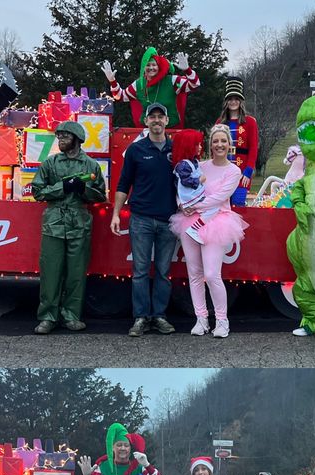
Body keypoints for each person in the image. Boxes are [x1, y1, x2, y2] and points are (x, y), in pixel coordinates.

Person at [169, 123, 248, 339]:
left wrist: (195, 205)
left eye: (223, 141)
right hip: (190, 222)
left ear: (229, 145)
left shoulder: (234, 171)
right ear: (210, 145)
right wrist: (181, 204)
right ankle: (201, 319)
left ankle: (222, 320)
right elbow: (181, 188)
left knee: (212, 274)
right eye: (215, 141)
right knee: (194, 274)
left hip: (217, 223)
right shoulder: (200, 165)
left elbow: (220, 197)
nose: (219, 144)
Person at [31, 120, 107, 334]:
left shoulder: (91, 165)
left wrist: (84, 190)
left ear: (77, 139)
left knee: (76, 274)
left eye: (65, 136)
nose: (61, 140)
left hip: (79, 224)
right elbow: (37, 191)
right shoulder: (51, 163)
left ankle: (71, 315)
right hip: (54, 223)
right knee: (51, 273)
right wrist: (61, 187)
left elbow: (100, 195)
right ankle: (47, 317)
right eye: (59, 136)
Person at [111, 102, 179, 337]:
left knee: (163, 271)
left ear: (167, 121)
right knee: (140, 270)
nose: (157, 120)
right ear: (146, 121)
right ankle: (141, 318)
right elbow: (123, 184)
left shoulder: (177, 150)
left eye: (161, 116)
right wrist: (116, 214)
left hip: (169, 220)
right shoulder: (135, 150)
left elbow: (191, 182)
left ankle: (159, 316)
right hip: (140, 219)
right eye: (153, 117)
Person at [102, 47, 200, 128]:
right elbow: (120, 96)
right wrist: (112, 81)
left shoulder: (172, 81)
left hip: (171, 129)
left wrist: (187, 70)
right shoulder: (139, 84)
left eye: (154, 65)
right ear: (143, 68)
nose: (151, 68)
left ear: (159, 67)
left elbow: (194, 84)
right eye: (148, 65)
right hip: (147, 131)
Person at [78, 421, 164, 475]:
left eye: (126, 445)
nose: (123, 448)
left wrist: (148, 466)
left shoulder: (140, 469)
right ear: (112, 448)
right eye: (119, 445)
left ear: (130, 448)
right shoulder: (102, 467)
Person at [172, 129, 220, 244]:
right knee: (213, 208)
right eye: (196, 144)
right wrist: (199, 180)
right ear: (187, 146)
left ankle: (196, 227)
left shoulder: (193, 162)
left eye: (200, 144)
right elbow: (185, 181)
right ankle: (194, 228)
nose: (199, 147)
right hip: (190, 197)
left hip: (193, 195)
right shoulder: (183, 164)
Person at [216, 77, 259, 206]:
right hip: (223, 173)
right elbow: (214, 150)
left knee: (238, 204)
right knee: (222, 208)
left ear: (241, 101)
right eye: (230, 99)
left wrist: (248, 171)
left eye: (236, 99)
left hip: (242, 174)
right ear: (226, 101)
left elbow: (253, 149)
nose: (233, 102)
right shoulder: (220, 122)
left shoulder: (250, 122)